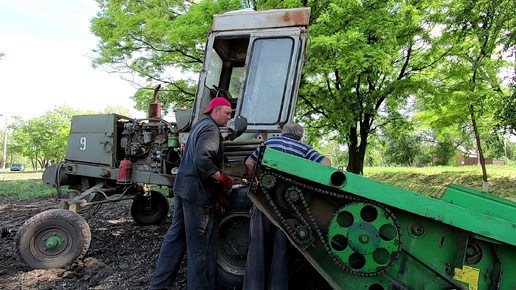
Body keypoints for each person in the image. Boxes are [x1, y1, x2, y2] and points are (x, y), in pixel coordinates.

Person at [149, 97, 234, 290]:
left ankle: (158, 286)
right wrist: (223, 180)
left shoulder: (200, 126)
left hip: (183, 188)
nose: (229, 117)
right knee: (201, 247)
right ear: (215, 111)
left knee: (176, 237)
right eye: (227, 113)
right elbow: (203, 158)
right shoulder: (211, 129)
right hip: (198, 194)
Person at [242, 123, 331, 290]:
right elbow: (326, 163)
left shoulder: (269, 144)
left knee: (257, 247)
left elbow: (249, 163)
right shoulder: (304, 148)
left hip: (264, 202)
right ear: (300, 136)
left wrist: (253, 180)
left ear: (283, 133)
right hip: (289, 207)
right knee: (282, 249)